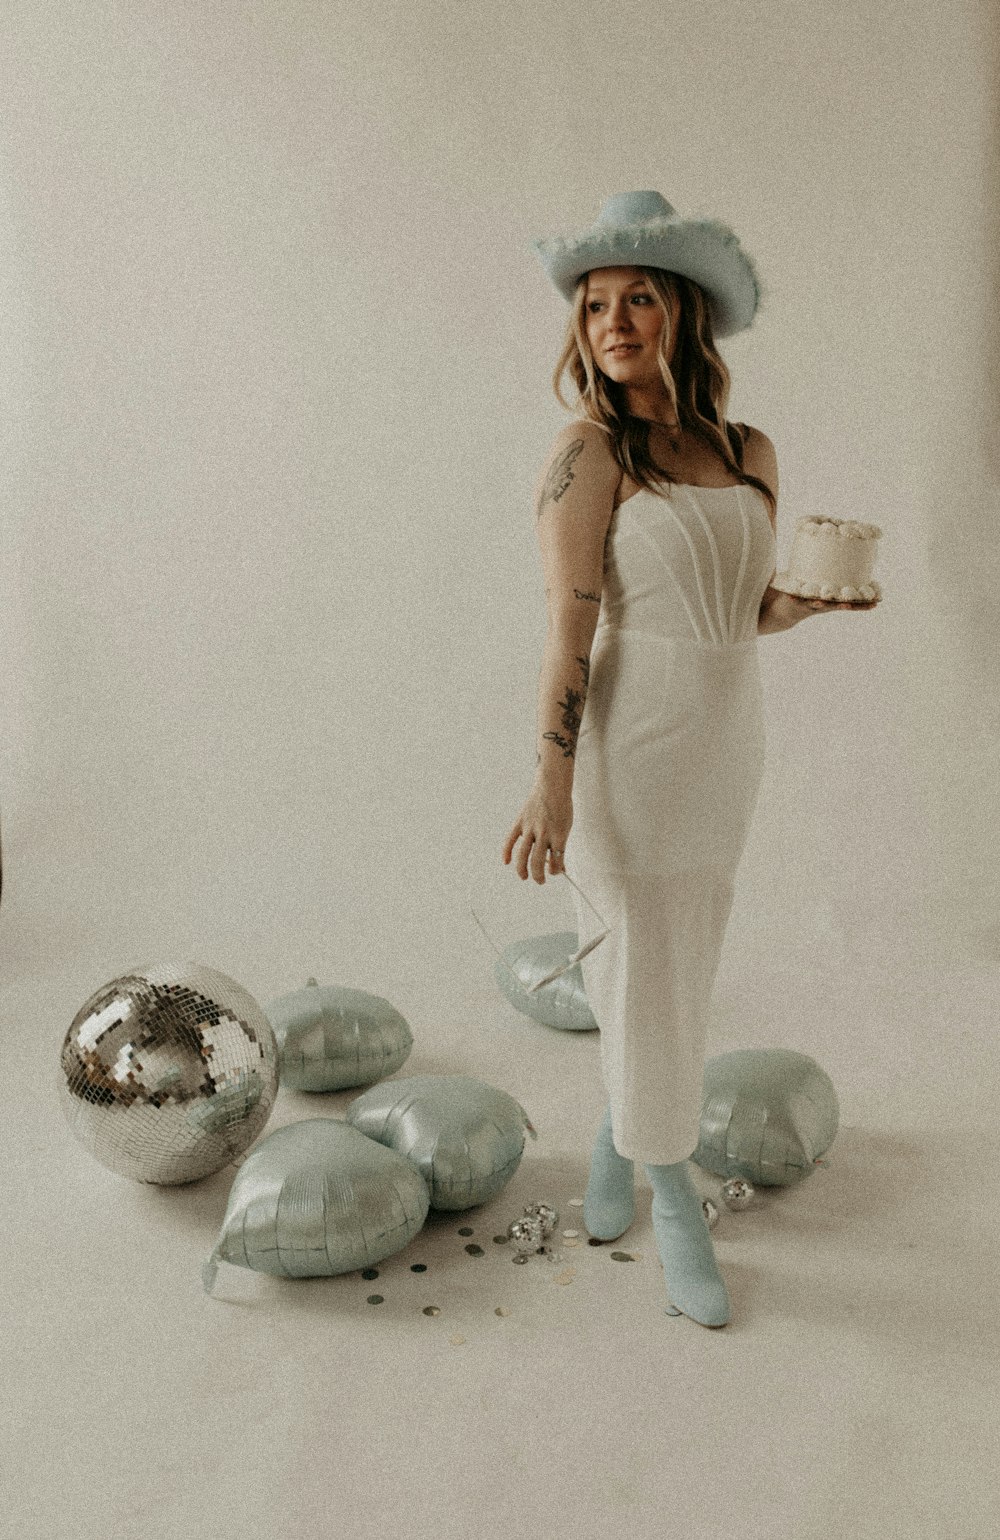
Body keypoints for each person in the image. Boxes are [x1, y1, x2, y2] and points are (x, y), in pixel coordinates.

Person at [501, 190, 879, 1328]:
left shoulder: (745, 447)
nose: (614, 320)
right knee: (635, 962)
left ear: (685, 315)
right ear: (581, 330)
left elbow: (739, 607)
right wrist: (551, 783)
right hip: (629, 739)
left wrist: (803, 606)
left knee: (683, 958)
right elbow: (572, 625)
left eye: (640, 298)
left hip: (726, 738)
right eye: (596, 304)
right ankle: (671, 1192)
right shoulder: (587, 451)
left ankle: (620, 1145)